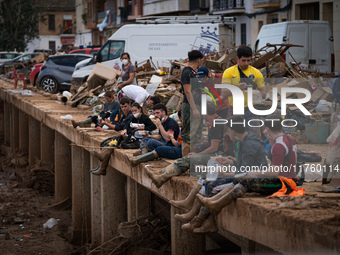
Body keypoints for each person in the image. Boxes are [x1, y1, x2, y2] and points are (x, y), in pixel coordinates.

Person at [195, 115, 304, 230]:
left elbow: (274, 171)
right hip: (288, 180)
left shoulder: (278, 146)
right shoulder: (288, 140)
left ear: (266, 129)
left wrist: (256, 172)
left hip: (283, 184)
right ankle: (214, 202)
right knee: (242, 179)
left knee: (246, 180)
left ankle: (215, 204)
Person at [144, 102, 232, 189]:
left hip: (219, 154)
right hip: (217, 152)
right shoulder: (215, 121)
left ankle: (162, 177)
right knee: (188, 156)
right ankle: (160, 173)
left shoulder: (216, 124)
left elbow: (214, 148)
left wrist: (198, 154)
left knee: (189, 159)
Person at [222, 45, 267, 131]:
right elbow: (224, 92)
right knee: (231, 138)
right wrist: (237, 88)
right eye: (243, 60)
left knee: (255, 137)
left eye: (248, 60)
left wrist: (254, 92)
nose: (246, 63)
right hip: (234, 110)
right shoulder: (229, 72)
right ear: (237, 58)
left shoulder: (257, 73)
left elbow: (264, 94)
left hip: (251, 110)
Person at [180, 50, 204, 156]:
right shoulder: (187, 73)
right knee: (188, 134)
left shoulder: (193, 73)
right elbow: (187, 92)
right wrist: (194, 109)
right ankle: (185, 160)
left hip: (197, 105)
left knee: (197, 134)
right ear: (199, 60)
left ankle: (193, 160)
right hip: (190, 106)